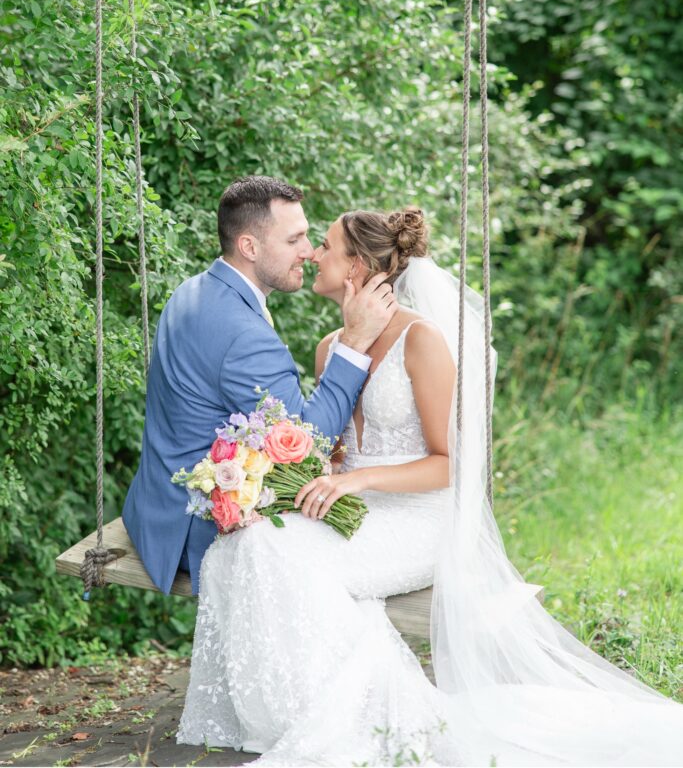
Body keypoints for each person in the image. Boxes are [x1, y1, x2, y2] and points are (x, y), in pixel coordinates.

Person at [177, 206, 683, 766]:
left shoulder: (421, 340)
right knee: (241, 547)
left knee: (281, 557)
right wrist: (312, 474)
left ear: (358, 269)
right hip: (359, 507)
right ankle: (293, 714)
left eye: (324, 245)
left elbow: (451, 464)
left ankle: (360, 716)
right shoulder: (330, 347)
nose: (313, 254)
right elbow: (333, 444)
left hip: (419, 518)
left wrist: (359, 478)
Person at [122, 176, 398, 595]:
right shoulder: (242, 334)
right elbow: (308, 440)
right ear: (250, 247)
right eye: (295, 240)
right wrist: (356, 342)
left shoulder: (194, 290)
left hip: (153, 506)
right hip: (190, 527)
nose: (308, 252)